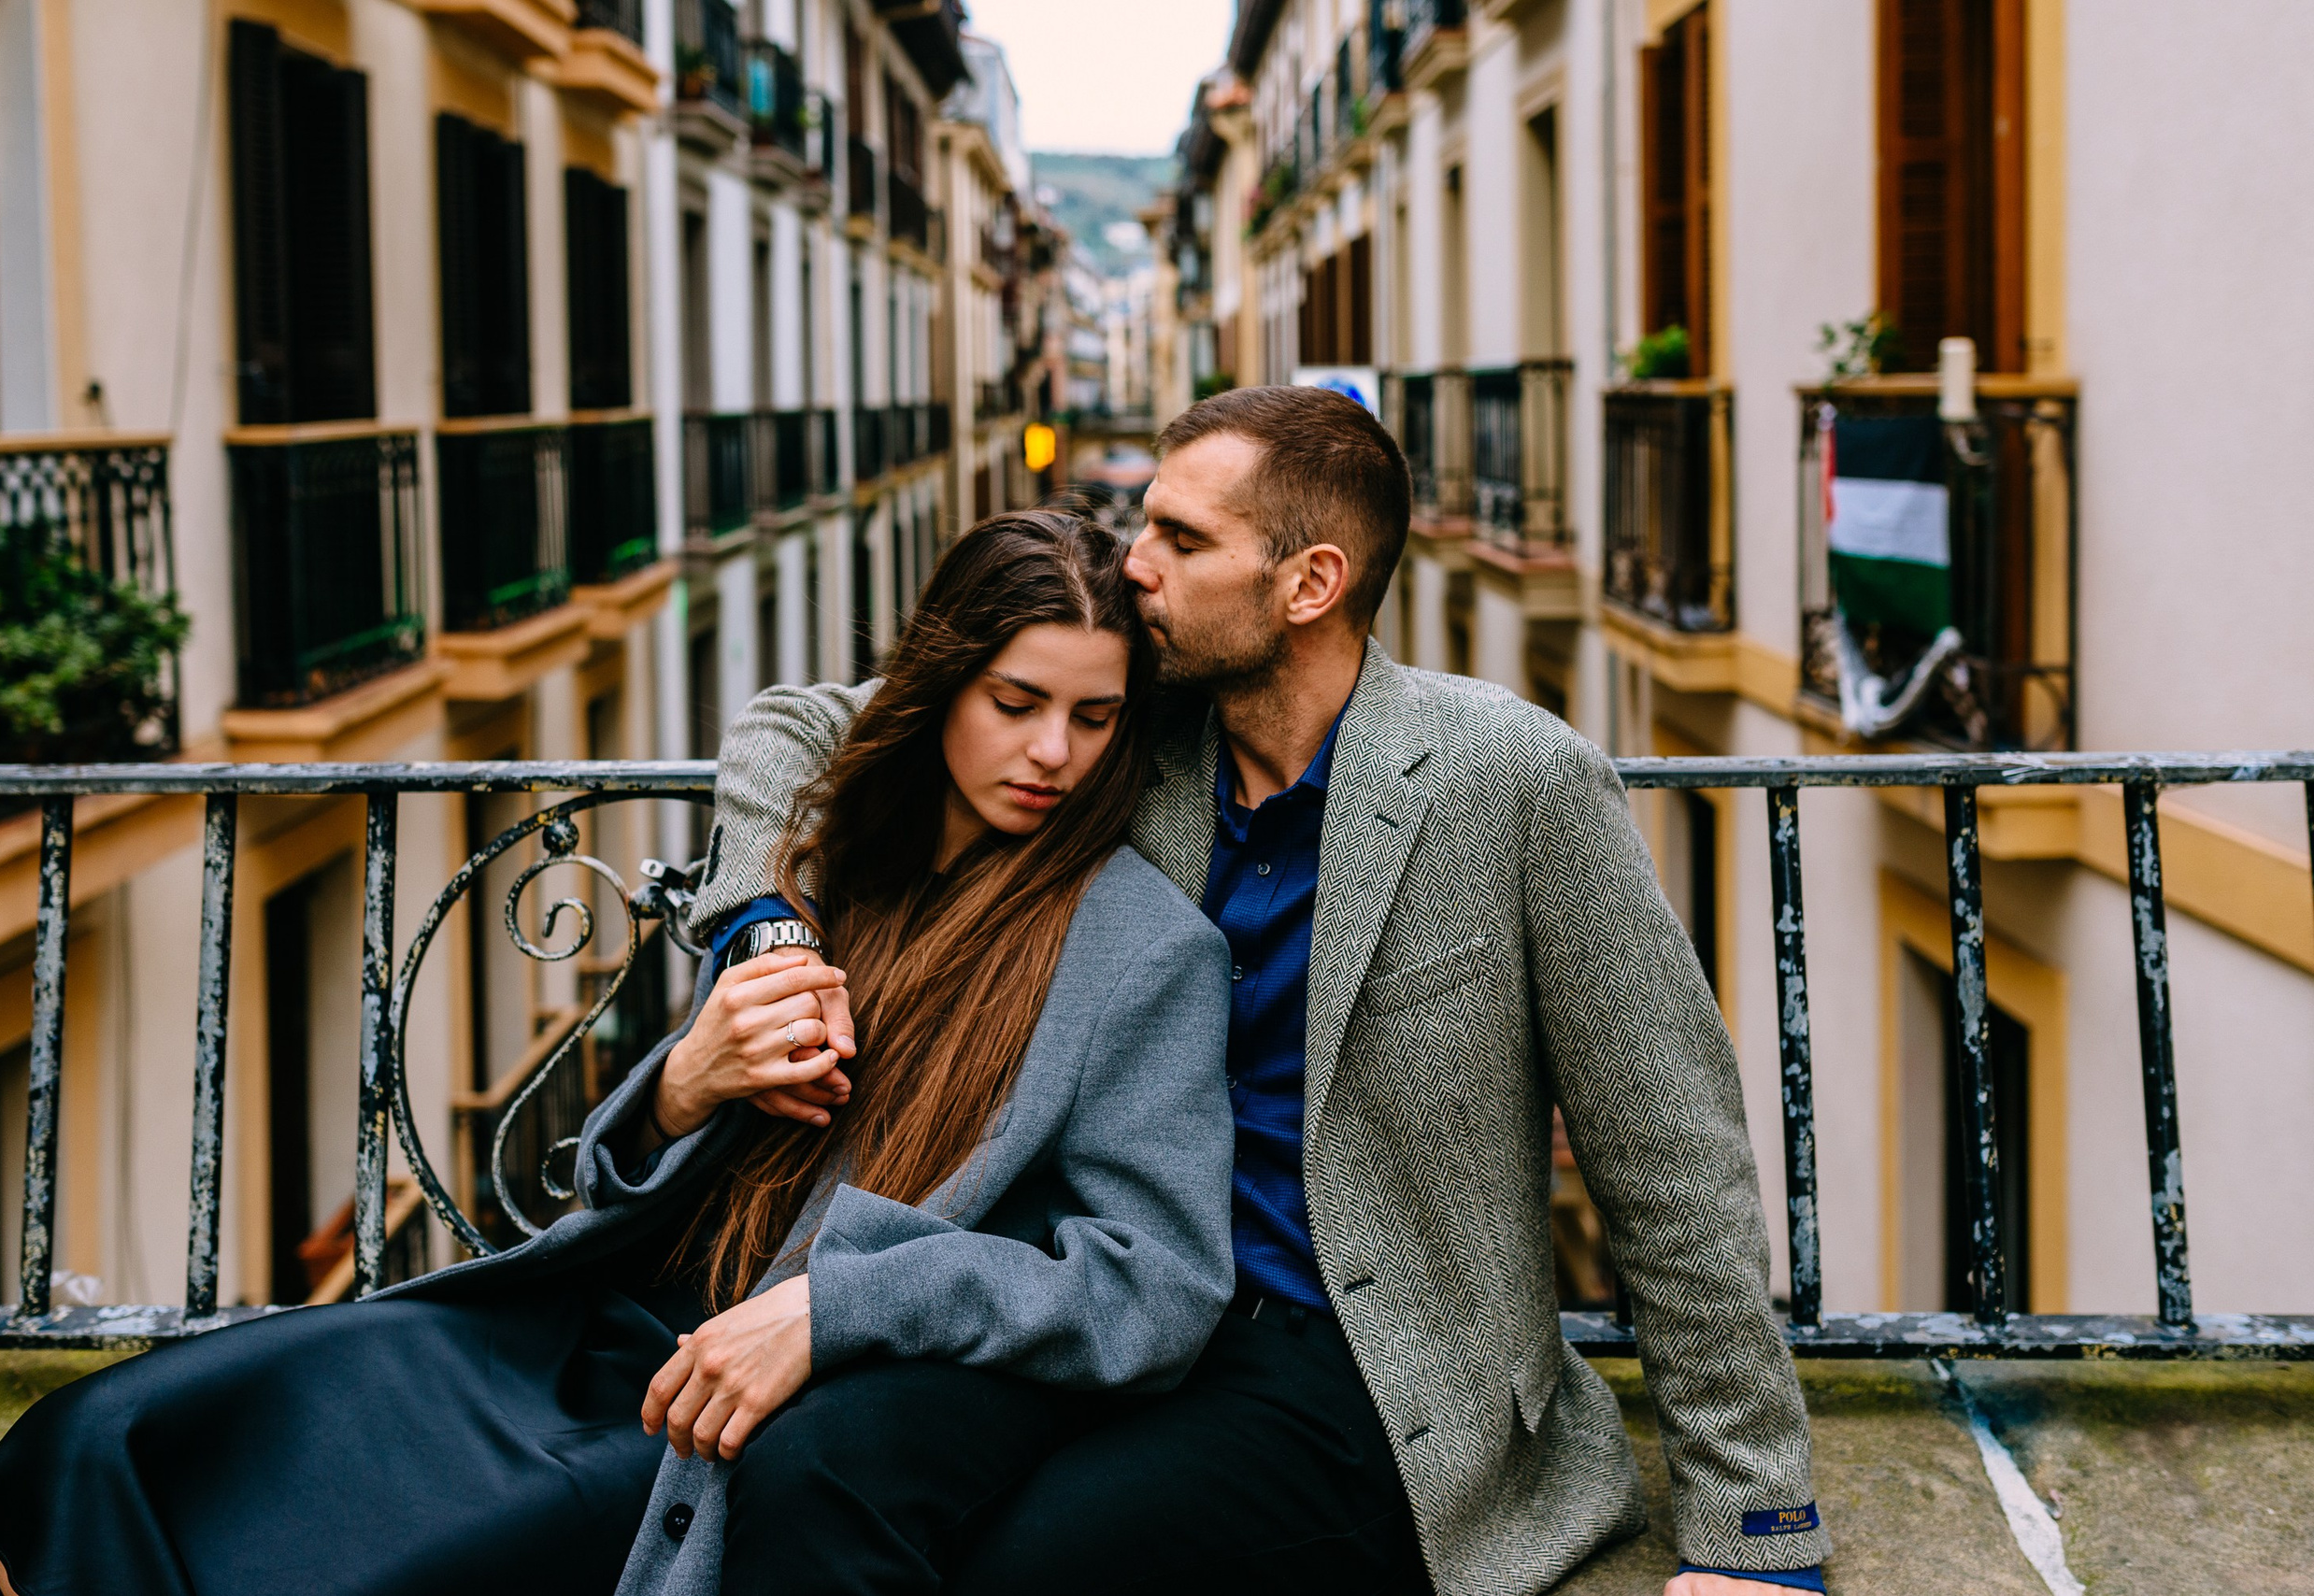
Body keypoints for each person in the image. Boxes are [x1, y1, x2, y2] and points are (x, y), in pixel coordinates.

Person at [0, 509, 1236, 1596]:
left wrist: (849, 1309)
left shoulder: (1141, 948)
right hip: (580, 1317)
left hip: (705, 1410)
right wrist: (680, 1085)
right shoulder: (823, 864)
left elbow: (1159, 1285)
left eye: (1097, 718)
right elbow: (606, 1184)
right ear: (943, 683)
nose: (1053, 754)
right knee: (113, 1436)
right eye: (1017, 703)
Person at [677, 386, 1834, 1596]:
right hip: (1093, 1298)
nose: (1138, 565)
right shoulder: (1136, 731)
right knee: (812, 1473)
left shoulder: (1516, 780)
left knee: (1029, 1566)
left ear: (1308, 583)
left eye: (1181, 538)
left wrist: (1759, 1536)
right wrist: (765, 929)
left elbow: (1671, 1154)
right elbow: (800, 730)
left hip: (1347, 1362)